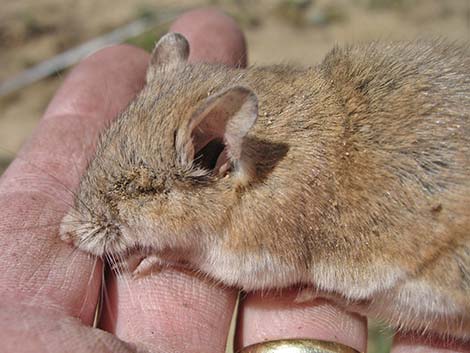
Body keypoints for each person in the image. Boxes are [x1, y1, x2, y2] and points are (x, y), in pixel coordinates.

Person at [0, 8, 467, 353]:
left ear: (219, 154)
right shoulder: (283, 104)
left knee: (426, 289)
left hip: (444, 244)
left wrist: (177, 254)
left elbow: (270, 265)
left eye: (127, 200)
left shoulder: (278, 197)